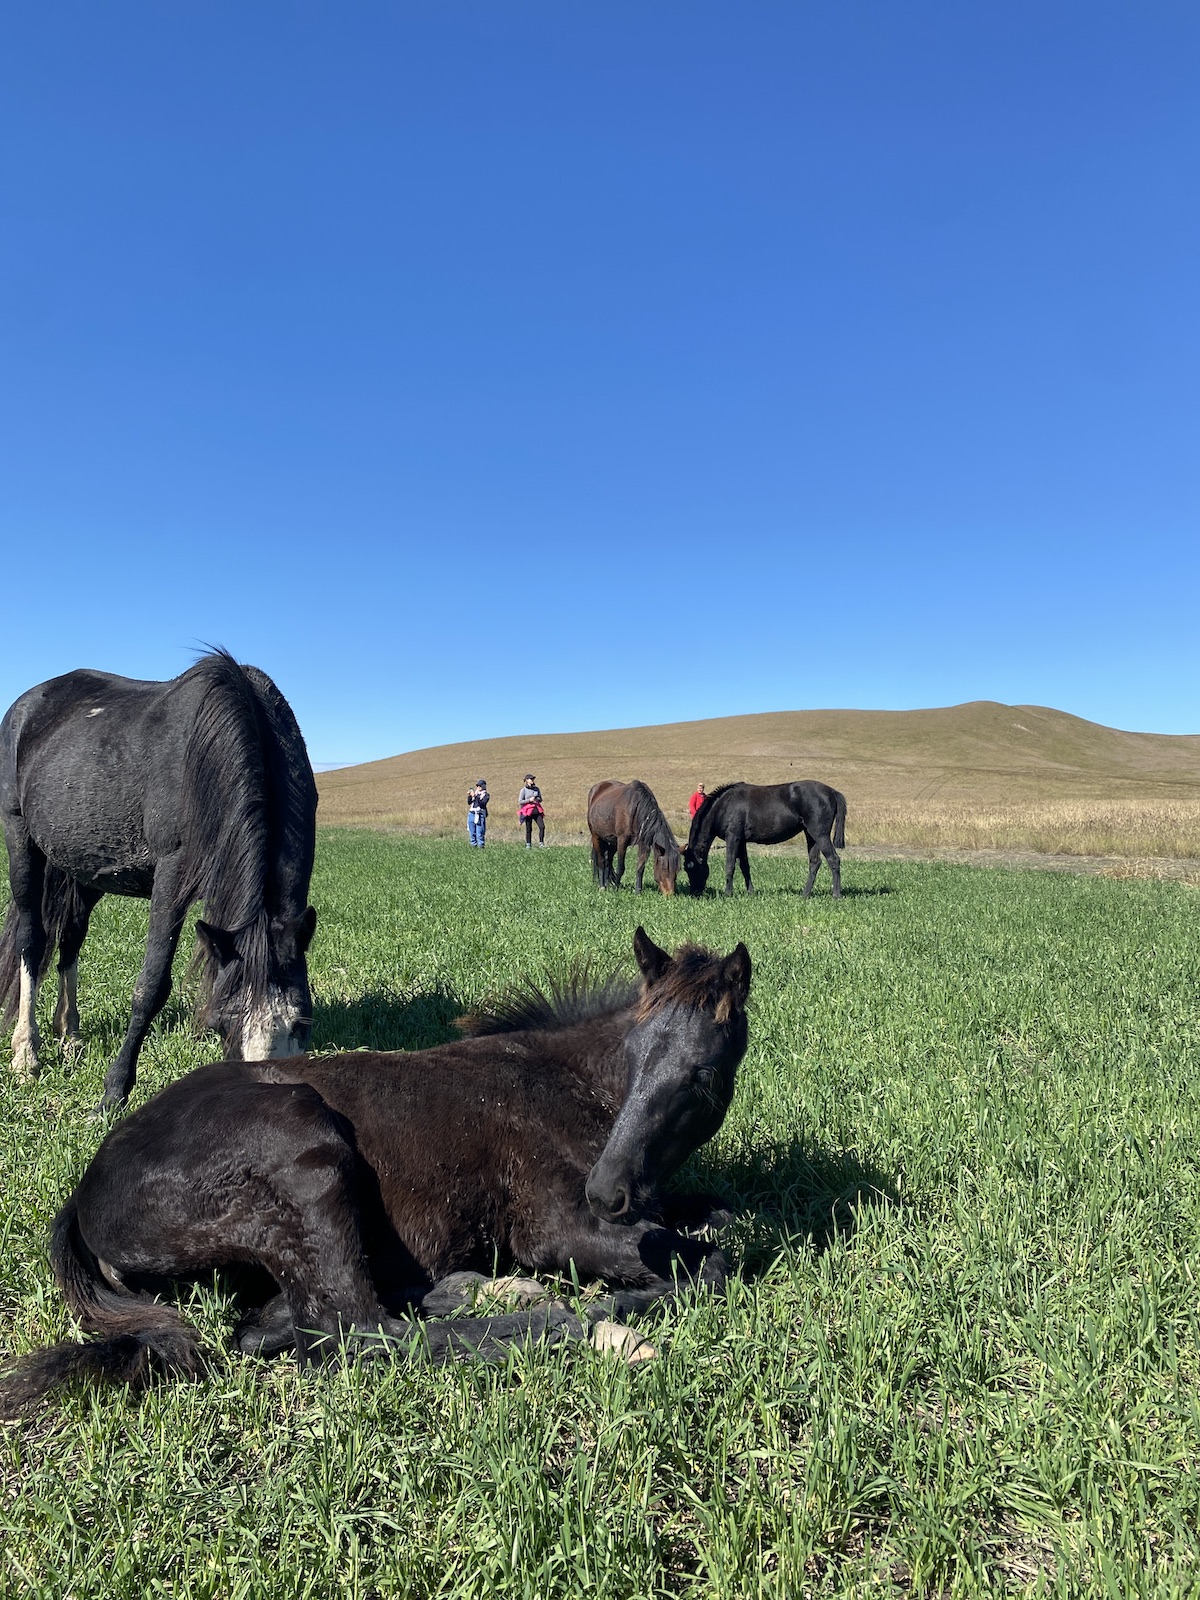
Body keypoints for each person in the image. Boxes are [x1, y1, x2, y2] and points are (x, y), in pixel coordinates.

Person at [518, 774, 545, 847]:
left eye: (533, 779)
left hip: (536, 810)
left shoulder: (536, 789)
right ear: (527, 780)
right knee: (529, 828)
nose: (532, 780)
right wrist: (529, 800)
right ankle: (528, 844)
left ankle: (541, 843)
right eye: (531, 779)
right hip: (528, 812)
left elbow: (540, 799)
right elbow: (520, 801)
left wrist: (537, 799)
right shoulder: (523, 790)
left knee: (542, 826)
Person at [467, 779, 489, 847]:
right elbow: (469, 802)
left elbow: (482, 804)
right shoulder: (475, 793)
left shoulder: (486, 795)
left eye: (480, 786)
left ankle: (481, 846)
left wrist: (475, 796)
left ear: (484, 786)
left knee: (480, 833)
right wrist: (470, 796)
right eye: (477, 786)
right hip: (472, 813)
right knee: (472, 832)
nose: (478, 787)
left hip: (480, 815)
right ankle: (473, 846)